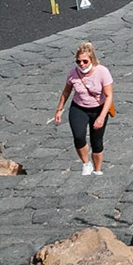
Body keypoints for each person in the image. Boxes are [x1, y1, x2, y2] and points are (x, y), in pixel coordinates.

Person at [53, 43, 114, 175]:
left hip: (98, 109)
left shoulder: (102, 71)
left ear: (92, 60)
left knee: (96, 141)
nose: (81, 64)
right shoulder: (73, 73)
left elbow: (109, 96)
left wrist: (101, 117)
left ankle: (98, 170)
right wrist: (59, 109)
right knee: (78, 136)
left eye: (85, 61)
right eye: (78, 61)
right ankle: (86, 163)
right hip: (79, 108)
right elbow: (66, 92)